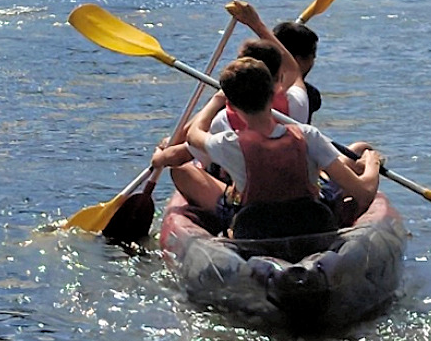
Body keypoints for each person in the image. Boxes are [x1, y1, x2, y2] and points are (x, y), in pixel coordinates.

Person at [157, 57, 381, 242]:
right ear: (275, 92)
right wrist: (372, 165)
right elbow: (364, 192)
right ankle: (355, 161)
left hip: (255, 229)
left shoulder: (227, 143)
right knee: (358, 154)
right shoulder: (308, 135)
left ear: (232, 105)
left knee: (184, 171)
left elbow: (193, 134)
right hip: (313, 224)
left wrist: (216, 101)